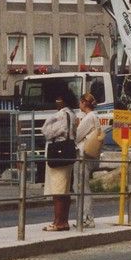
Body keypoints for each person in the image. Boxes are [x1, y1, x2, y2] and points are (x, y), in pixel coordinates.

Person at [40, 96, 75, 231]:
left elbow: (47, 132)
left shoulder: (60, 115)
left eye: (58, 99)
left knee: (58, 190)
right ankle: (64, 221)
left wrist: (48, 121)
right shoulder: (72, 114)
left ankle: (58, 222)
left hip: (58, 153)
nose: (56, 102)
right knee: (65, 190)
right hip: (68, 152)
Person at [74, 92, 99, 228]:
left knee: (81, 186)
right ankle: (84, 216)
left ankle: (87, 217)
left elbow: (77, 136)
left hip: (83, 154)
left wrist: (78, 124)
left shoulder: (89, 118)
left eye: (80, 102)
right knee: (82, 185)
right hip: (90, 154)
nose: (79, 105)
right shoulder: (94, 116)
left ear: (84, 103)